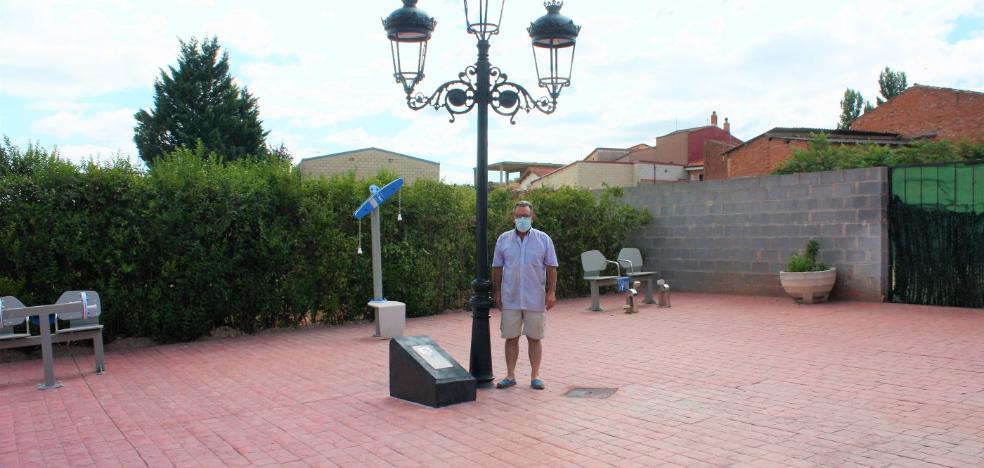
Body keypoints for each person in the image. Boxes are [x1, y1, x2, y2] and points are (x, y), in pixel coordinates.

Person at [492, 200, 558, 390]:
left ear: (532, 217)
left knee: (534, 338)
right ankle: (510, 375)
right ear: (513, 217)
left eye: (526, 216)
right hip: (510, 297)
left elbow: (552, 267)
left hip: (534, 297)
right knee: (511, 337)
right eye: (519, 216)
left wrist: (551, 292)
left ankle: (535, 376)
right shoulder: (503, 240)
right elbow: (496, 267)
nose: (522, 219)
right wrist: (497, 292)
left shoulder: (543, 239)